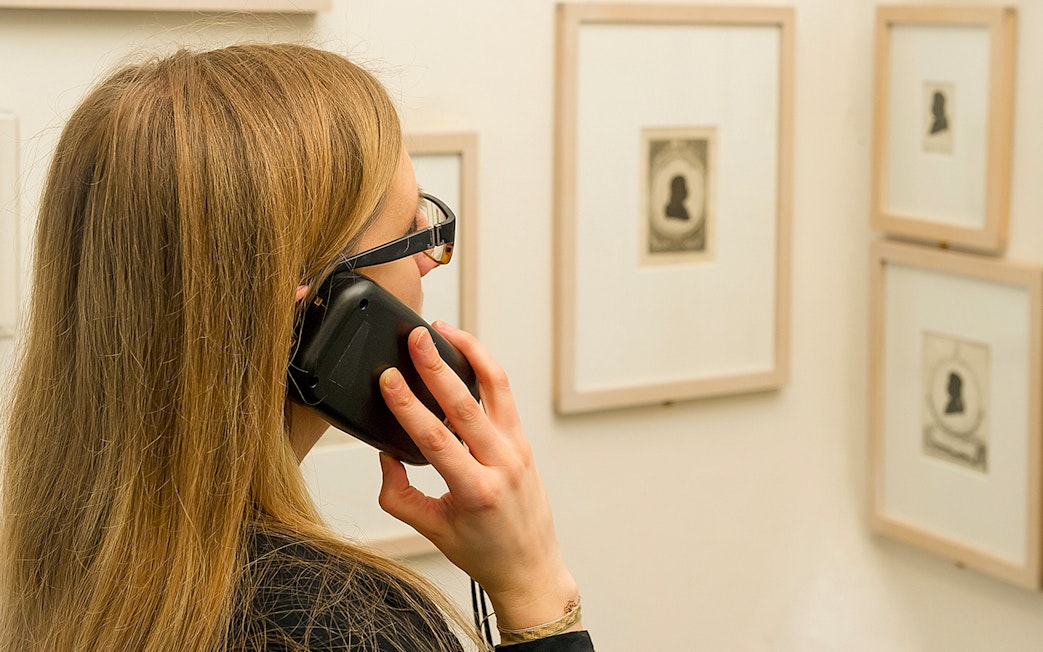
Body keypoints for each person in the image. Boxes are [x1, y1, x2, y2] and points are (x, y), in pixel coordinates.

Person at [0, 43, 593, 651]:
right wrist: (535, 591)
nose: (428, 260)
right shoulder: (336, 628)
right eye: (407, 232)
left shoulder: (55, 573)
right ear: (321, 310)